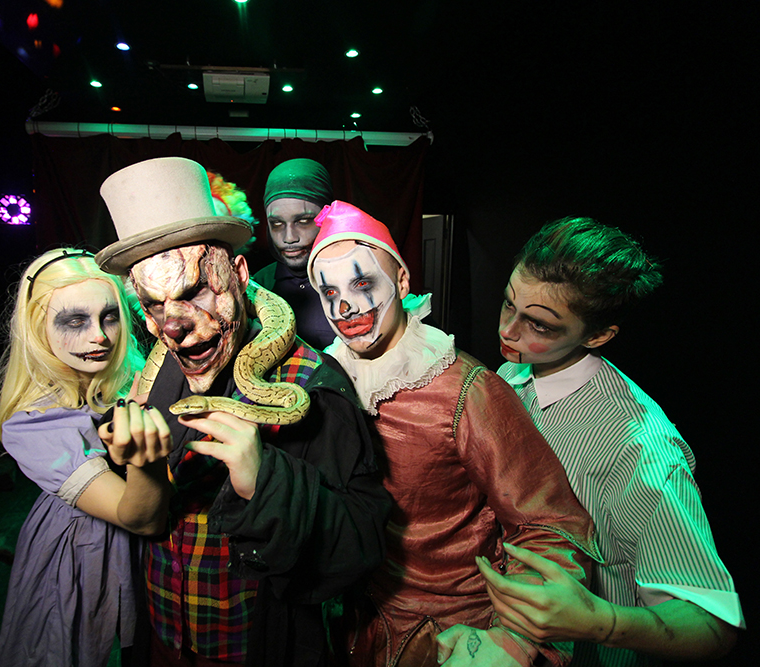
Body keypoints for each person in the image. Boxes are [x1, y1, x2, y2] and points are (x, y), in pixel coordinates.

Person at [94, 157, 390, 667]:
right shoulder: (159, 369)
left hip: (252, 646)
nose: (174, 326)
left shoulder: (314, 386)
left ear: (239, 274)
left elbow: (360, 550)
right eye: (154, 305)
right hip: (164, 637)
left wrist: (266, 481)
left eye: (194, 292)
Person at [306, 201, 599, 667]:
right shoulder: (320, 381)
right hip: (350, 633)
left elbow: (550, 525)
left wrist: (513, 639)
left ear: (402, 282)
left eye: (362, 284)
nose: (344, 307)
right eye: (328, 291)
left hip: (449, 640)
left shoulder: (467, 390)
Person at [484, 217, 743, 666]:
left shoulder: (640, 449)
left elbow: (713, 626)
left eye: (539, 325)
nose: (508, 331)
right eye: (509, 304)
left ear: (597, 335)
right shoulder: (512, 372)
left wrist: (598, 621)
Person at [0, 248, 173, 667]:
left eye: (109, 317)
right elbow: (141, 518)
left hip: (149, 566)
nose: (100, 336)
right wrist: (143, 460)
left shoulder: (131, 379)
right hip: (80, 564)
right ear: (37, 328)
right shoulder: (34, 422)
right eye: (75, 321)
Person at [251, 158, 336, 349]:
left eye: (303, 221)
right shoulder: (258, 286)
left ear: (327, 216)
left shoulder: (354, 278)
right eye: (277, 224)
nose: (289, 238)